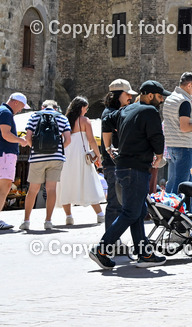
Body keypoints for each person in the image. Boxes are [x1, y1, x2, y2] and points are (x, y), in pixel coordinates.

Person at [89, 80, 170, 269]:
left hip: (124, 167)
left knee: (139, 211)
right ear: (149, 95)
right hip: (136, 168)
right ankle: (101, 249)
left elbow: (107, 120)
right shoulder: (149, 111)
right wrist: (159, 156)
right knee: (131, 212)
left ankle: (144, 254)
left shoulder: (126, 110)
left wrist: (109, 149)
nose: (161, 101)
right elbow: (157, 136)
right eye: (159, 97)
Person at [20, 100, 72, 231]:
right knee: (51, 189)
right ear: (56, 108)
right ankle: (48, 221)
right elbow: (68, 139)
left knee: (33, 190)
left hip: (37, 158)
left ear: (42, 107)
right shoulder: (62, 117)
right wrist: (57, 150)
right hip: (56, 158)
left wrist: (36, 149)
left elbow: (28, 138)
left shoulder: (34, 116)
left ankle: (26, 221)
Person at [58, 96, 105, 226]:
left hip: (66, 156)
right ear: (81, 107)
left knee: (66, 184)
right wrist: (98, 155)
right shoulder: (84, 120)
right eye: (86, 107)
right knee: (89, 182)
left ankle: (69, 216)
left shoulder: (64, 120)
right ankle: (100, 215)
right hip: (81, 156)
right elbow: (91, 140)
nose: (87, 110)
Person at [162, 72, 192, 213]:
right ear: (189, 85)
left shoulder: (169, 99)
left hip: (172, 145)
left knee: (174, 182)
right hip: (184, 146)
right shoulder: (184, 102)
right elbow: (185, 127)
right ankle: (175, 214)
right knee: (182, 185)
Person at [100, 80, 136, 238]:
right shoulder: (110, 113)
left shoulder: (114, 111)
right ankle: (110, 241)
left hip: (116, 164)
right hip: (112, 164)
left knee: (119, 205)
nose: (130, 97)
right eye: (127, 94)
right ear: (117, 95)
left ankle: (113, 240)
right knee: (115, 205)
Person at [0, 93, 31, 231]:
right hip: (4, 155)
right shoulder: (6, 112)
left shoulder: (3, 111)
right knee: (4, 187)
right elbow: (6, 134)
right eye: (22, 107)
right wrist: (21, 140)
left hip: (3, 154)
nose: (21, 110)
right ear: (17, 103)